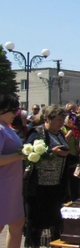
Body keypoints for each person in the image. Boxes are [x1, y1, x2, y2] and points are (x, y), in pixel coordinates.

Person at [25, 106, 79, 247]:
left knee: (54, 219)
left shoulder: (60, 134)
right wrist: (51, 151)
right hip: (39, 186)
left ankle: (53, 244)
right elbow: (28, 154)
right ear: (48, 119)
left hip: (56, 185)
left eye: (63, 120)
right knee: (37, 220)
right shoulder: (37, 132)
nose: (62, 123)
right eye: (59, 120)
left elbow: (65, 155)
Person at [0, 94, 25, 248]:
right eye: (13, 110)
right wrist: (20, 155)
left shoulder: (5, 127)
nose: (15, 114)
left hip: (12, 185)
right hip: (3, 185)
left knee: (17, 223)